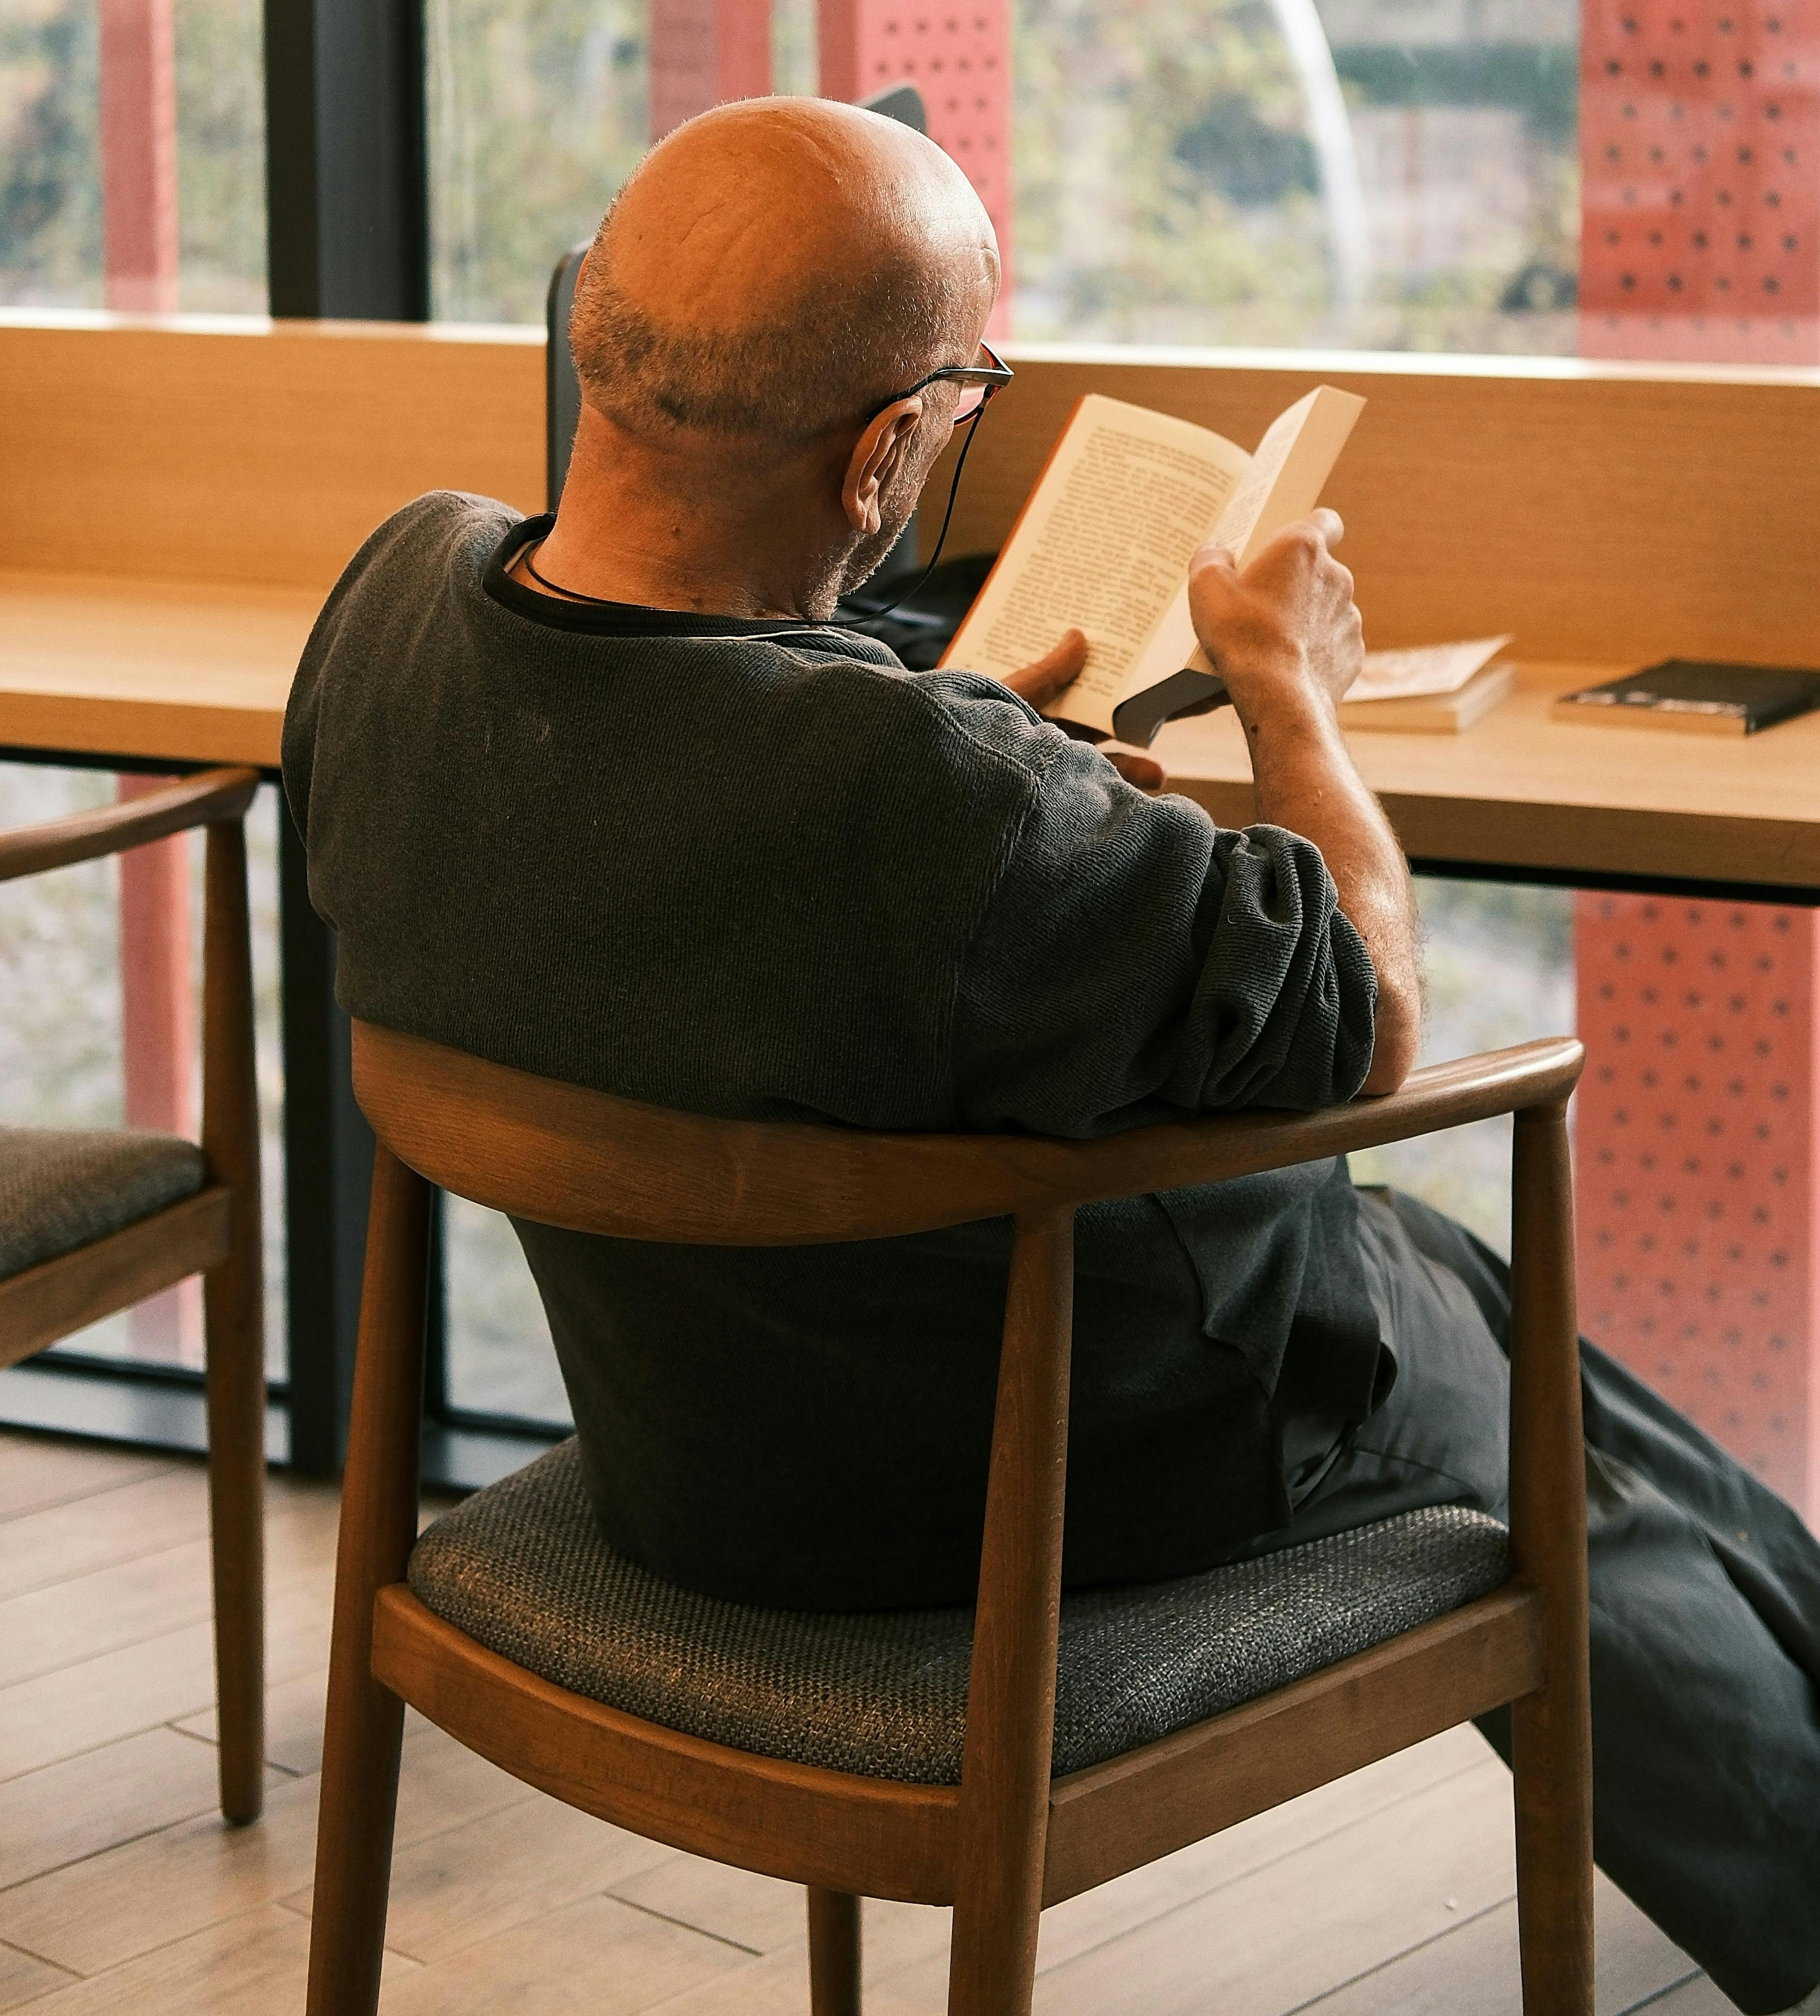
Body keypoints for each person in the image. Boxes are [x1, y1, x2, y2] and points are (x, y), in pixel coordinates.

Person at [284, 96, 1820, 2015]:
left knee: (1477, 1325)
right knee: (1512, 1409)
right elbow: (1370, 1010)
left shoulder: (395, 604)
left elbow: (655, 828)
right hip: (1024, 1480)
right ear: (884, 460)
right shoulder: (924, 804)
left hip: (689, 1448)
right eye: (967, 398)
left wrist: (952, 749)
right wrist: (1292, 698)